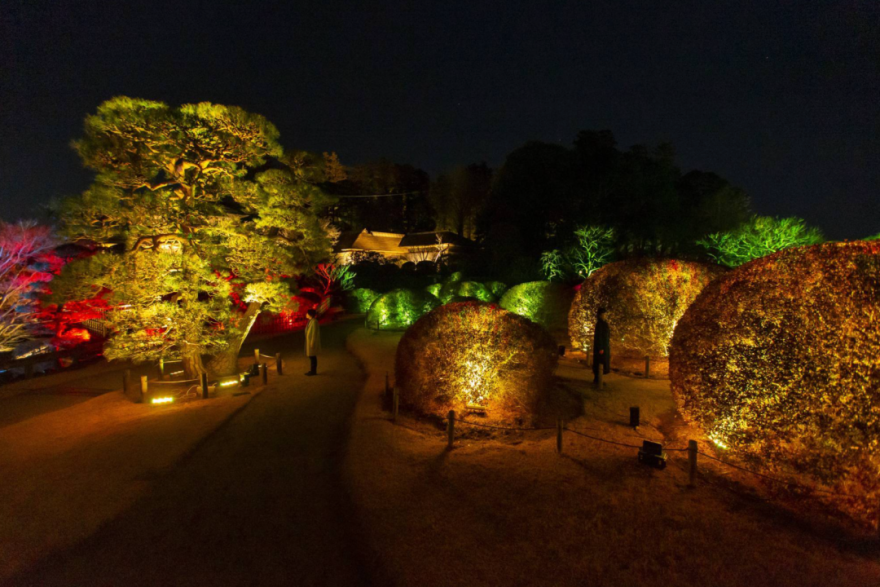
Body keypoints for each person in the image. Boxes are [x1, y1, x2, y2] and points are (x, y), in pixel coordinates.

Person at [592, 307, 611, 384]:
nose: (605, 316)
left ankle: (598, 379)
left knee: (601, 363)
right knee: (600, 362)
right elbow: (599, 336)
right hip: (601, 347)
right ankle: (598, 380)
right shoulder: (600, 324)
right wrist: (601, 348)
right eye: (603, 314)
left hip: (604, 346)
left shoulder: (603, 323)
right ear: (600, 315)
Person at [304, 308, 321, 376]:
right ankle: (312, 370)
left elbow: (314, 333)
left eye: (307, 313)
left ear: (310, 314)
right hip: (310, 341)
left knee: (312, 356)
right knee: (312, 357)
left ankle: (313, 371)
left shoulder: (314, 322)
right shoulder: (311, 321)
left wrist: (312, 342)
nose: (306, 314)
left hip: (311, 342)